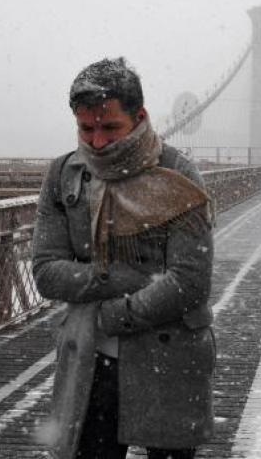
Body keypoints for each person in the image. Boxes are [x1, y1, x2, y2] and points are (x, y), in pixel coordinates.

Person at [32, 57, 215, 459]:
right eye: (86, 128)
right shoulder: (64, 175)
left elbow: (191, 281)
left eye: (110, 126)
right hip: (90, 363)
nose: (98, 142)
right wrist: (120, 279)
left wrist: (110, 315)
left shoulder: (178, 175)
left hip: (170, 359)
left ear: (140, 116)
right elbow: (46, 271)